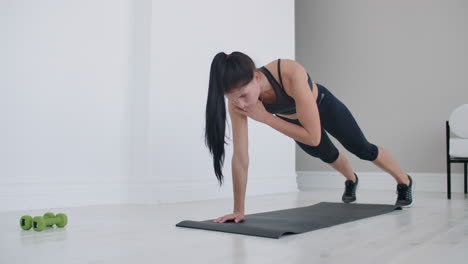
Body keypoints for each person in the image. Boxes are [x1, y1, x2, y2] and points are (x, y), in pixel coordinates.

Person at [205, 51, 414, 224]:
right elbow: (241, 157)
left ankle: (404, 181)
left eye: (243, 95)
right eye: (232, 99)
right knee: (327, 154)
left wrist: (267, 118)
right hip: (292, 120)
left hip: (323, 106)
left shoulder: (288, 72)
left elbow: (313, 137)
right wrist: (238, 210)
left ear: (257, 78)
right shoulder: (238, 104)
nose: (240, 104)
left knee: (362, 149)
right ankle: (352, 179)